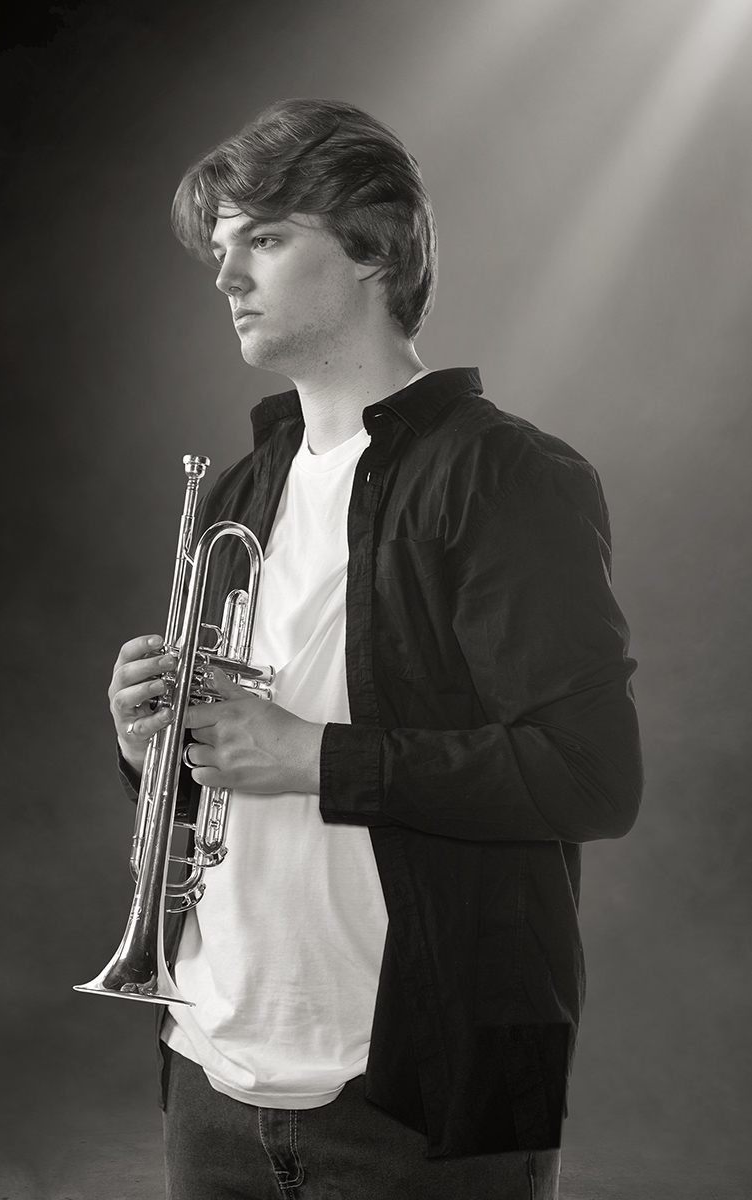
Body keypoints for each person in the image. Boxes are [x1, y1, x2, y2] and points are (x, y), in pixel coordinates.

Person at [106, 98, 643, 1200]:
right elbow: (223, 784)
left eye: (262, 237)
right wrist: (150, 747)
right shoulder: (239, 491)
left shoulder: (507, 478)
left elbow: (589, 776)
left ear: (369, 247)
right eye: (220, 249)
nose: (226, 274)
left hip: (415, 1096)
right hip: (213, 1066)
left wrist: (314, 756)